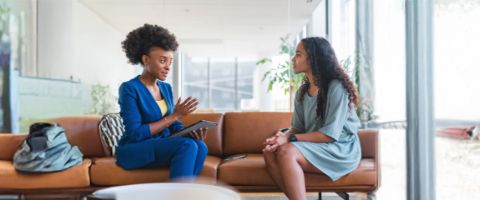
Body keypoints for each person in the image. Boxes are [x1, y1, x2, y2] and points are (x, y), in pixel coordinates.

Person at [263, 37, 361, 200]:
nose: (293, 59)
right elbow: (297, 128)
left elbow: (328, 135)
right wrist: (282, 137)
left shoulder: (336, 87)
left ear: (313, 59)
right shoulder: (302, 92)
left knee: (287, 152)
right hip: (316, 145)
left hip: (339, 148)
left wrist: (289, 140)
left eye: (298, 55)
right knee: (268, 152)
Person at [115, 24, 208, 181]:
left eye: (170, 62)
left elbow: (173, 126)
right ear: (145, 60)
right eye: (163, 61)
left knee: (200, 146)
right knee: (187, 146)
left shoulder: (165, 88)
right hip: (135, 149)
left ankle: (188, 195)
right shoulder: (129, 88)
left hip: (160, 144)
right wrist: (175, 115)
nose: (168, 67)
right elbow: (135, 134)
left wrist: (190, 132)